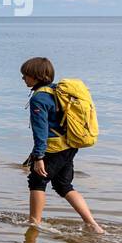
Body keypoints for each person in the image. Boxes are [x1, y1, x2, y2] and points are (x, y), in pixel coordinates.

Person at [21, 57, 104, 233]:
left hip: (54, 147)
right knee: (63, 185)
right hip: (71, 145)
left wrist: (39, 156)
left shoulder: (39, 98)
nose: (23, 79)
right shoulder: (56, 91)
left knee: (37, 180)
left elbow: (40, 131)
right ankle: (93, 225)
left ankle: (34, 224)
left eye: (25, 75)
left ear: (35, 76)